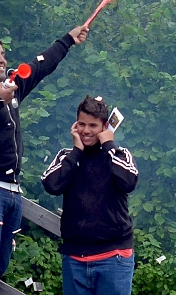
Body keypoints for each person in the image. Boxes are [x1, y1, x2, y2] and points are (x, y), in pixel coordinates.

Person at [0, 25, 88, 295]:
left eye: (3, 54)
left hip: (12, 190)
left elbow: (40, 66)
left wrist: (68, 39)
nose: (2, 60)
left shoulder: (10, 88)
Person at [41, 96, 139, 295]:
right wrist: (76, 151)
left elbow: (129, 182)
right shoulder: (66, 156)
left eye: (93, 125)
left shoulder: (120, 155)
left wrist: (109, 144)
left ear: (104, 127)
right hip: (74, 258)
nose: (86, 131)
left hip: (114, 256)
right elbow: (51, 185)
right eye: (81, 124)